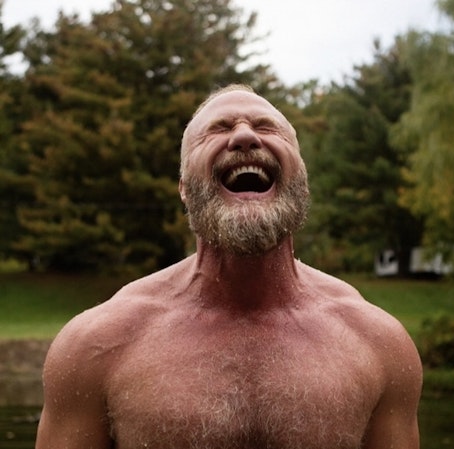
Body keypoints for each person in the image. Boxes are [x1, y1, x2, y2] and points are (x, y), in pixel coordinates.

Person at [35, 84, 422, 449]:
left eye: (266, 127)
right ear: (184, 188)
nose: (244, 136)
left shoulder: (379, 345)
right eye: (217, 129)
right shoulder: (96, 346)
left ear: (301, 182)